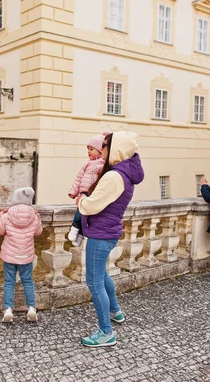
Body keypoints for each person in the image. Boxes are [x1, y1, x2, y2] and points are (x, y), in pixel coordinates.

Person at [76, 132, 144, 347]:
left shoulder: (114, 176)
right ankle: (115, 311)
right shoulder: (123, 173)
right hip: (108, 231)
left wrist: (82, 199)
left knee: (94, 281)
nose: (101, 148)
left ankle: (106, 332)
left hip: (100, 233)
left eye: (105, 145)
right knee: (101, 274)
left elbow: (91, 205)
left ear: (116, 149)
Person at [0, 187, 42, 323]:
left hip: (9, 256)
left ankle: (8, 309)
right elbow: (38, 232)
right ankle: (32, 308)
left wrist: (0, 215)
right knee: (28, 282)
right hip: (26, 256)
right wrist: (37, 216)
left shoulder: (7, 214)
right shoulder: (33, 215)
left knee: (9, 282)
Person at [67, 134, 106, 247]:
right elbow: (79, 178)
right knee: (81, 210)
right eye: (88, 149)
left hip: (95, 193)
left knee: (88, 217)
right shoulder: (87, 164)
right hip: (84, 192)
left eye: (91, 149)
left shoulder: (104, 165)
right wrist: (73, 192)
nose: (89, 152)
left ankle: (81, 235)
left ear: (100, 150)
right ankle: (74, 228)